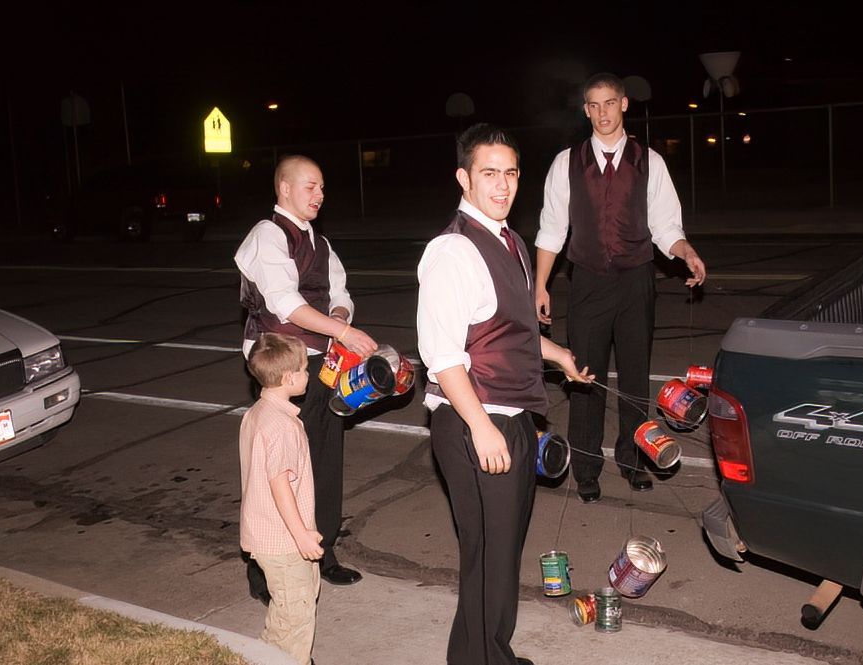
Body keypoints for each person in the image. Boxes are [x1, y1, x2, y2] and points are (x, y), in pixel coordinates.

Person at [417, 123, 593, 665]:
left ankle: (483, 653)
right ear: (463, 177)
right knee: (489, 555)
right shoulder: (452, 252)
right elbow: (443, 357)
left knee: (499, 556)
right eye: (489, 173)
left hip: (511, 415)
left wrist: (558, 354)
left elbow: (505, 327)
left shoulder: (510, 240)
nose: (503, 185)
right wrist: (482, 427)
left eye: (511, 173)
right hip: (476, 420)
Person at [534, 73, 707, 504]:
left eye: (610, 103)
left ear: (624, 104)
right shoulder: (566, 163)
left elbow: (666, 226)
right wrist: (540, 285)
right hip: (588, 280)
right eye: (594, 105)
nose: (602, 112)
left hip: (635, 280)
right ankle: (587, 467)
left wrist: (686, 252)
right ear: (586, 110)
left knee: (633, 375)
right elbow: (552, 229)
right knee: (583, 375)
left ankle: (634, 460)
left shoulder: (649, 161)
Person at [235, 155, 377, 596]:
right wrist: (346, 331)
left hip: (321, 361)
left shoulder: (321, 243)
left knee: (323, 456)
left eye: (321, 187)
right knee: (277, 465)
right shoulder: (267, 235)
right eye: (310, 186)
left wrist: (340, 315)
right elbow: (285, 305)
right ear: (284, 189)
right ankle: (263, 567)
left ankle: (323, 550)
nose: (319, 195)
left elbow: (341, 294)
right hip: (280, 361)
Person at [239, 332, 323, 665]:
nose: (308, 374)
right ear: (288, 378)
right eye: (304, 369)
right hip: (283, 541)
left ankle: (266, 656)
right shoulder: (282, 427)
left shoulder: (258, 413)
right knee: (297, 618)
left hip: (268, 535)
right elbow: (279, 485)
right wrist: (301, 534)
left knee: (288, 610)